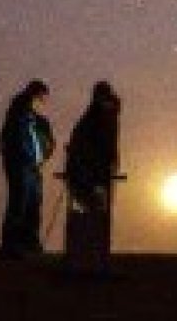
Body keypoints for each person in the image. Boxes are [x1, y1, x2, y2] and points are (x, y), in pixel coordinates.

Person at [63, 81, 121, 271]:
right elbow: (101, 146)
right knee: (95, 212)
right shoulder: (98, 118)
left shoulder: (96, 116)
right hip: (88, 172)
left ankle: (90, 258)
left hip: (89, 171)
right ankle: (90, 258)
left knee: (95, 211)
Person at [0, 79, 54, 258]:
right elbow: (16, 139)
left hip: (32, 166)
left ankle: (28, 243)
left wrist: (44, 152)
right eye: (42, 96)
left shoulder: (33, 117)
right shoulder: (19, 112)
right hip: (21, 164)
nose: (43, 101)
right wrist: (26, 157)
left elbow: (42, 142)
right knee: (20, 203)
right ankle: (12, 245)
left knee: (32, 204)